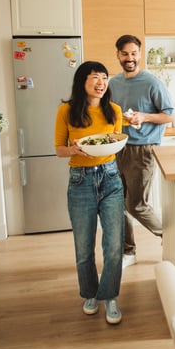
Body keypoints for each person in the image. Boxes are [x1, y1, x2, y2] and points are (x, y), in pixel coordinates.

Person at [54, 61, 125, 325]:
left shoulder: (114, 110)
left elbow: (116, 141)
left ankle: (110, 295)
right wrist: (74, 150)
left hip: (110, 177)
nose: (101, 82)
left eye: (104, 78)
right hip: (80, 180)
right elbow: (59, 148)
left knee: (114, 245)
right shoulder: (66, 110)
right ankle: (90, 294)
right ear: (82, 81)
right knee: (84, 248)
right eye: (95, 77)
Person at [108, 35, 175, 268]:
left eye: (134, 53)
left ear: (140, 54)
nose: (130, 58)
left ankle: (171, 238)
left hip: (142, 150)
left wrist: (143, 116)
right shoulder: (113, 83)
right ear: (118, 54)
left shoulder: (152, 82)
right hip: (116, 148)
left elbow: (168, 114)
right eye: (125, 54)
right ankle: (128, 251)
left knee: (136, 204)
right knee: (116, 203)